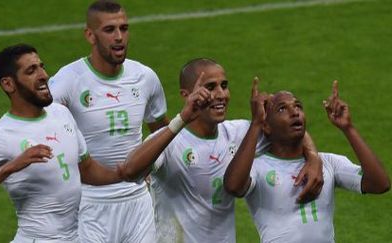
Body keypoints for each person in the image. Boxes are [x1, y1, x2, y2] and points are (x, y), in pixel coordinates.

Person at [119, 58, 324, 242]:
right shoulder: (170, 139)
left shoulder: (239, 134)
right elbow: (129, 171)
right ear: (186, 95)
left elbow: (290, 127)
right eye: (210, 87)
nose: (221, 94)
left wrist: (314, 158)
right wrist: (181, 119)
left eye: (224, 86)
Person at [0, 44, 124, 242]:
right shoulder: (0, 136)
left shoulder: (61, 113)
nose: (44, 75)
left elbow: (86, 169)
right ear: (8, 84)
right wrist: (8, 169)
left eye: (41, 66)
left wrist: (124, 174)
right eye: (31, 71)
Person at [48, 1, 169, 242]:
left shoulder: (145, 78)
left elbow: (162, 132)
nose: (119, 37)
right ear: (90, 35)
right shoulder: (68, 80)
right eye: (109, 30)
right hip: (89, 203)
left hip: (138, 201)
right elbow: (43, 127)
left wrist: (152, 166)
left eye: (124, 28)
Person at [224, 80, 391, 242]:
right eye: (282, 109)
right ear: (266, 126)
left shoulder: (328, 163)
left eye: (298, 106)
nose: (295, 112)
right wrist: (255, 124)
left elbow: (379, 184)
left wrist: (348, 128)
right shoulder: (257, 167)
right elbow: (234, 186)